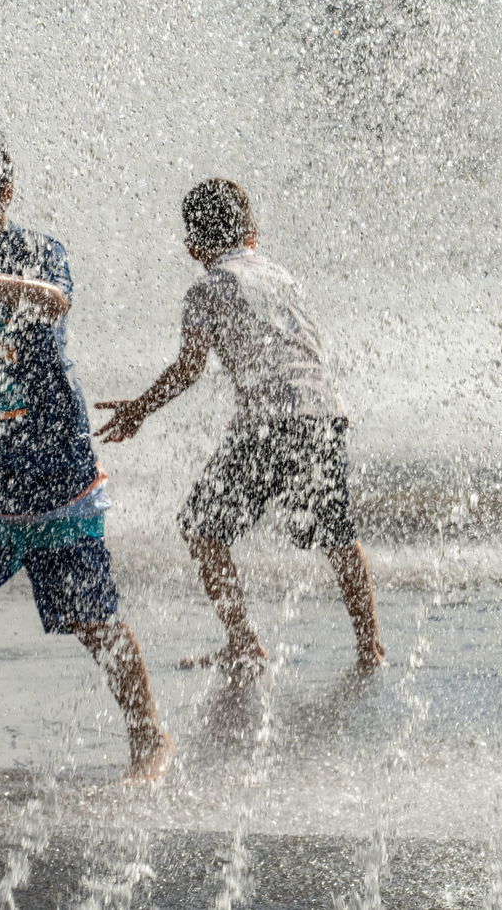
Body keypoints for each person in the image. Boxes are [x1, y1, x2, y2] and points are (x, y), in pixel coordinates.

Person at [0, 124, 171, 789]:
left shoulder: (35, 251)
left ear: (4, 196)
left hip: (55, 483)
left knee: (94, 620)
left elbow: (54, 302)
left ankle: (151, 737)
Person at [95, 178, 385, 675]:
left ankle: (244, 642)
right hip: (323, 412)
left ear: (192, 248)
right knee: (337, 532)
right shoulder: (280, 275)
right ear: (253, 233)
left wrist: (139, 409)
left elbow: (189, 370)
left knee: (202, 528)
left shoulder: (205, 291)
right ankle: (370, 646)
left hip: (269, 425)